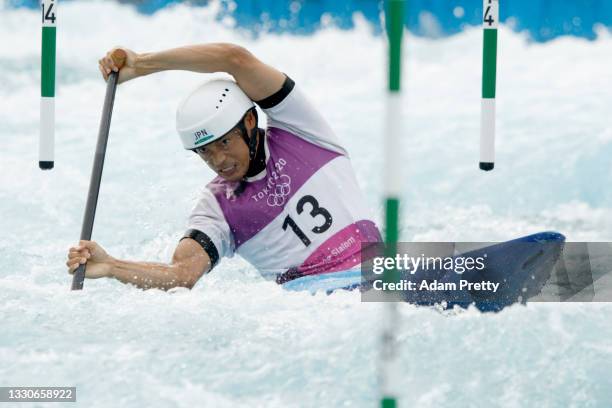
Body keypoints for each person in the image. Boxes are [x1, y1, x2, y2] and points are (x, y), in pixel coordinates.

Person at [66, 43, 381, 292]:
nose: (218, 161)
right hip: (319, 301)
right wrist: (111, 266)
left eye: (224, 143)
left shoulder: (303, 130)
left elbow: (234, 58)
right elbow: (181, 276)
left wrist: (143, 64)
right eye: (204, 152)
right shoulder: (217, 206)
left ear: (249, 121)